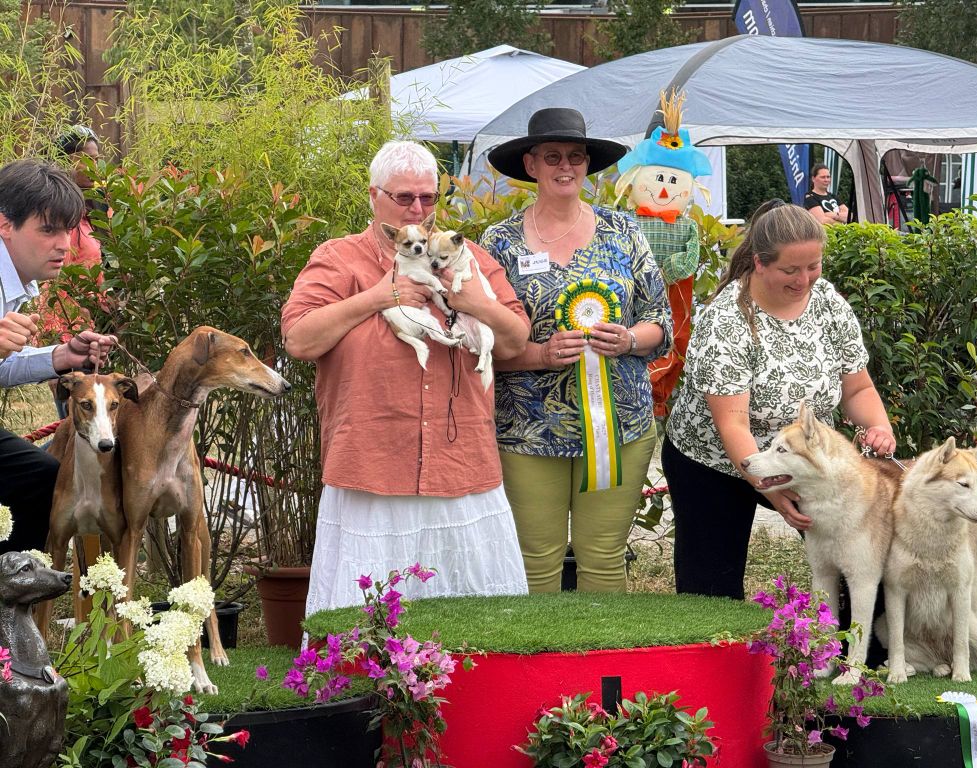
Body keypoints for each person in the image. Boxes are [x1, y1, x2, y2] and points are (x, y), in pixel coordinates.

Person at [282, 140, 530, 613]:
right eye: (404, 198)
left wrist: (474, 301)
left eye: (429, 197)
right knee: (365, 616)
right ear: (374, 196)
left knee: (476, 617)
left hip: (460, 464)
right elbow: (299, 340)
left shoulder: (467, 257)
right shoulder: (338, 258)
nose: (418, 208)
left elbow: (516, 342)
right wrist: (379, 296)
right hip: (373, 464)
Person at [481, 108, 672, 593]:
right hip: (527, 428)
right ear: (531, 165)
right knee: (534, 564)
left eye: (575, 157)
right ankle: (534, 668)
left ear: (588, 166)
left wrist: (629, 339)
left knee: (604, 559)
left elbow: (660, 323)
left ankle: (601, 670)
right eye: (552, 157)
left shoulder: (624, 232)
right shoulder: (498, 241)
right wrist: (540, 355)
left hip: (620, 426)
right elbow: (482, 341)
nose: (565, 167)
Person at [663, 200, 895, 600]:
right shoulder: (726, 320)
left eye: (813, 266)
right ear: (759, 262)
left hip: (799, 456)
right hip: (712, 461)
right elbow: (732, 424)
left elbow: (858, 389)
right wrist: (769, 487)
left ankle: (858, 650)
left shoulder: (829, 303)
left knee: (860, 554)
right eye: (790, 270)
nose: (804, 280)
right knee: (712, 591)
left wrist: (879, 426)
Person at [0, 158, 117, 554]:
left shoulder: (17, 284)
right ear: (5, 225)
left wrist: (63, 356)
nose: (64, 244)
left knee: (44, 477)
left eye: (67, 230)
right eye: (48, 229)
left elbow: (4, 363)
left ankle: (12, 593)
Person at [40, 125, 107, 418]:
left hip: (100, 333)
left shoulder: (97, 212)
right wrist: (52, 351)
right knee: (77, 429)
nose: (94, 166)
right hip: (67, 335)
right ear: (65, 161)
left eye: (97, 158)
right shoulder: (53, 218)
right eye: (86, 159)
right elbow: (45, 286)